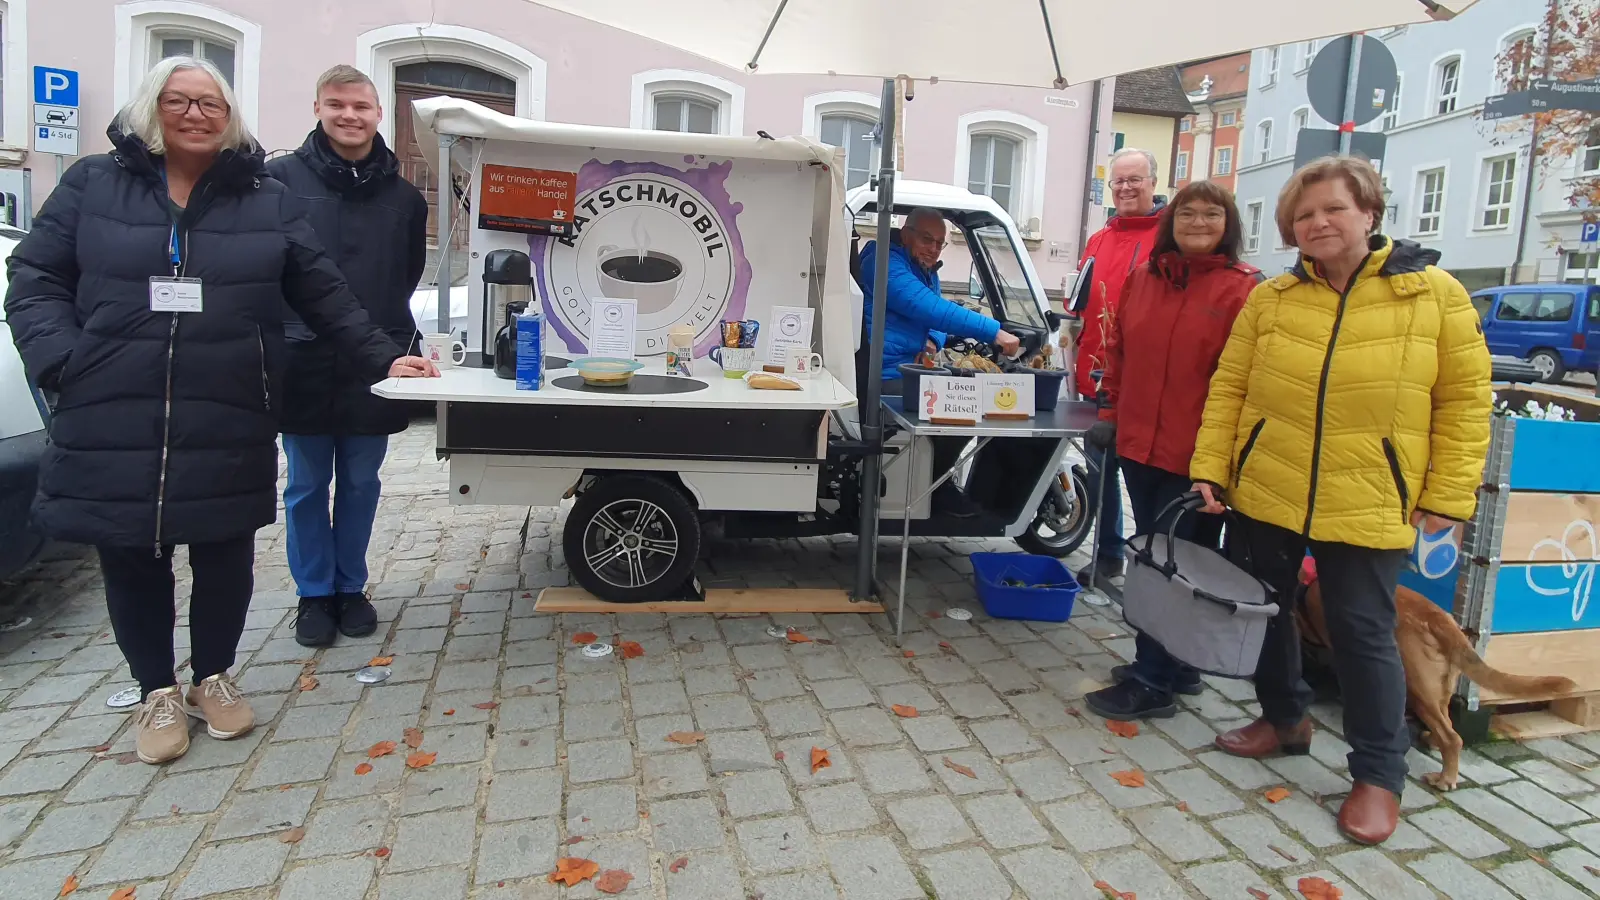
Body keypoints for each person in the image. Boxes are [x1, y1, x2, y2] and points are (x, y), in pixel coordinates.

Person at [4, 57, 438, 766]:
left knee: (225, 548)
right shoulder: (93, 184)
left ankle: (213, 676)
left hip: (227, 400)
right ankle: (156, 690)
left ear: (229, 114)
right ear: (152, 108)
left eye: (209, 102)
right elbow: (36, 278)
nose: (195, 113)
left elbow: (324, 293)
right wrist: (63, 361)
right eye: (179, 100)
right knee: (132, 554)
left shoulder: (264, 198)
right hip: (117, 403)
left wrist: (383, 357)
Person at [1189, 155, 1491, 845]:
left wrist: (1447, 491)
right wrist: (1213, 465)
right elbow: (1231, 385)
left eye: (1333, 209)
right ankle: (1285, 718)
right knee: (1266, 612)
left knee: (1362, 635)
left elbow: (1467, 400)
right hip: (1270, 485)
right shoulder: (1273, 298)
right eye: (1303, 214)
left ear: (1369, 214)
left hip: (1370, 493)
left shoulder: (1433, 294)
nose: (1318, 222)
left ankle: (1379, 774)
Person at [1080, 180, 1260, 721]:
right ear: (1170, 222)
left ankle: (1151, 681)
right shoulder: (1144, 278)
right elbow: (1119, 352)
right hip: (1140, 443)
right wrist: (1110, 415)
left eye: (1211, 214)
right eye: (1188, 214)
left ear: (1228, 225)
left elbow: (1247, 380)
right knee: (1159, 555)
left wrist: (1223, 460)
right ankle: (1180, 667)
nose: (1198, 223)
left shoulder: (1243, 289)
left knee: (1173, 565)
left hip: (1197, 456)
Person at [267, 65, 429, 648]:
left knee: (361, 481)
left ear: (378, 113)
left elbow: (406, 274)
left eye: (361, 106)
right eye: (337, 105)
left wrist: (383, 341)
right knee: (307, 484)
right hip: (302, 358)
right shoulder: (277, 181)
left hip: (376, 362)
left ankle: (351, 586)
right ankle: (313, 595)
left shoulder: (405, 198)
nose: (349, 116)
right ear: (317, 108)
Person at [858, 207, 1021, 512]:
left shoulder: (923, 269)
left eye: (939, 243)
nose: (933, 249)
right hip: (882, 374)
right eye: (926, 239)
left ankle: (938, 483)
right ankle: (937, 489)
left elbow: (933, 317)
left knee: (962, 399)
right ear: (906, 235)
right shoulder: (882, 262)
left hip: (908, 370)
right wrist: (994, 332)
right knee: (960, 408)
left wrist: (933, 341)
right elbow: (928, 307)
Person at [1072, 148, 1166, 587]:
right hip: (1096, 375)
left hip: (1146, 383)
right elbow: (1081, 300)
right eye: (1118, 181)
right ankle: (1109, 552)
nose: (1126, 188)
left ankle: (1154, 570)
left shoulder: (1170, 237)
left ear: (1153, 182)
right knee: (1099, 471)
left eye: (1136, 180)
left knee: (1144, 479)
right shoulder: (1100, 239)